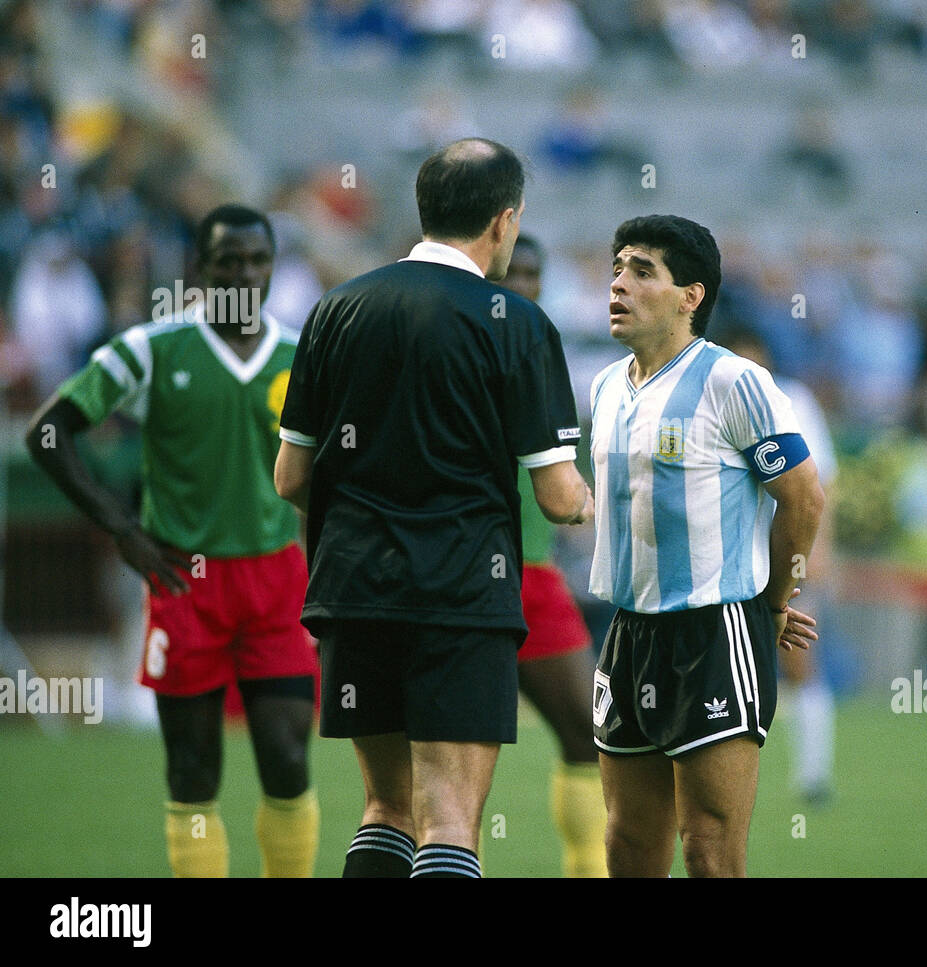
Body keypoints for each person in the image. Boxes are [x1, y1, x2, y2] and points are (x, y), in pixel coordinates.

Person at [273, 138, 592, 879]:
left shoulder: (335, 309)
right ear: (504, 221)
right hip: (459, 597)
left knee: (385, 810)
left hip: (352, 592)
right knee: (447, 818)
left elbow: (291, 477)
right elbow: (555, 492)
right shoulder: (517, 322)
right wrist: (591, 500)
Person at [25, 204, 320, 877]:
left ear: (274, 267)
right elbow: (47, 433)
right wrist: (122, 528)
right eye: (228, 261)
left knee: (289, 758)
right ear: (200, 266)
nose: (244, 274)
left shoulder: (303, 354)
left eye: (257, 260)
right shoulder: (153, 349)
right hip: (186, 581)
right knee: (193, 769)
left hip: (277, 581)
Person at [589, 214, 825, 877]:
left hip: (714, 632)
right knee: (629, 846)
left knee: (709, 848)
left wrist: (774, 601)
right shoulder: (606, 386)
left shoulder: (734, 382)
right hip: (629, 632)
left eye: (642, 271)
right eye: (616, 268)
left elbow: (804, 496)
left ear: (690, 295)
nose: (618, 284)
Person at [501, 234, 607, 876]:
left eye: (535, 275)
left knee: (592, 734)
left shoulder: (542, 357)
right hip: (456, 578)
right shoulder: (451, 352)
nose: (525, 286)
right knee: (451, 763)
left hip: (532, 578)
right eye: (513, 273)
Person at [715, 325, 839, 805]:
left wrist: (817, 552)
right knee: (727, 668)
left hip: (785, 551)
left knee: (798, 662)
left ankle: (813, 776)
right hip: (730, 557)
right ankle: (728, 775)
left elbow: (818, 483)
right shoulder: (713, 400)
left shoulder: (793, 400)